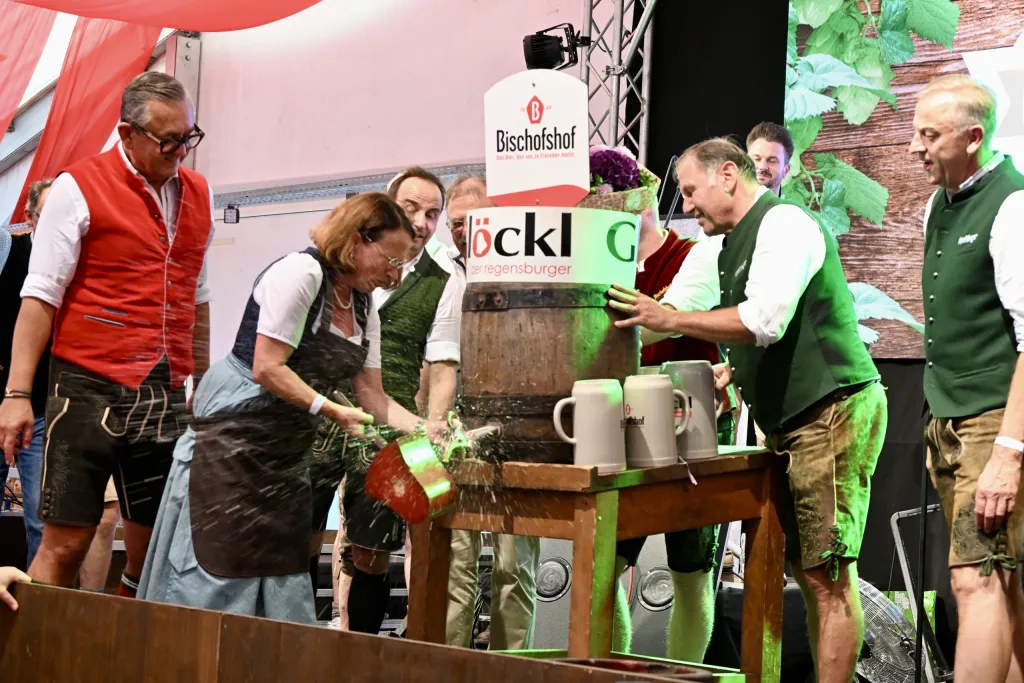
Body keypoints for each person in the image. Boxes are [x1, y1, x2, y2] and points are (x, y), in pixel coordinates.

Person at [606, 138, 886, 683]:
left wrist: (666, 321)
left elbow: (763, 321)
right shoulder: (720, 245)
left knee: (827, 578)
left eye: (690, 191)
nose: (685, 206)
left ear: (728, 174)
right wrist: (731, 367)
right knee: (804, 576)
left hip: (831, 411)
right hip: (791, 422)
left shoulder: (784, 225)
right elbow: (683, 306)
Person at [138, 193, 453, 624]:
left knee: (281, 567)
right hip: (234, 436)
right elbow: (267, 367)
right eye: (391, 261)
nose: (395, 276)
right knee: (221, 562)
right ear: (360, 240)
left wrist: (427, 428)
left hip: (285, 453)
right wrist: (331, 410)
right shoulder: (302, 273)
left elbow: (373, 397)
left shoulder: (363, 305)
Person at [0, 72, 214, 598]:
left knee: (152, 548)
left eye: (188, 136)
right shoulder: (77, 187)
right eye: (167, 140)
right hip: (85, 386)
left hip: (164, 391)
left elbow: (198, 297)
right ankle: (39, 664)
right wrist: (16, 394)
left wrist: (203, 386)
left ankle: (124, 657)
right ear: (126, 133)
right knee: (66, 544)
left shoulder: (200, 192)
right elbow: (40, 298)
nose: (179, 151)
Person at [910, 74, 1024, 682]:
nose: (914, 147)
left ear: (973, 138)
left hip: (994, 419)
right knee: (999, 582)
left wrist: (1009, 451)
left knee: (976, 578)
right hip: (948, 418)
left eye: (930, 135)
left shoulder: (1012, 205)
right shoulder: (939, 203)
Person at [338, 166, 464, 635]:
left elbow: (445, 364)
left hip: (389, 419)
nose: (422, 222)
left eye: (433, 213)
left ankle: (368, 654)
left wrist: (433, 428)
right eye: (411, 208)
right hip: (322, 414)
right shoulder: (347, 259)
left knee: (376, 548)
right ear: (387, 206)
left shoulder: (446, 278)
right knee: (308, 538)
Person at [607, 206, 735, 661]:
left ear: (646, 197)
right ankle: (611, 674)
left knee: (691, 569)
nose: (612, 204)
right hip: (624, 418)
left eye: (620, 193)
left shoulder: (694, 254)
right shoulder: (601, 265)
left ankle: (683, 675)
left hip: (693, 414)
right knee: (604, 567)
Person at [0, 180, 122, 585]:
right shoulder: (14, 256)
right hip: (15, 402)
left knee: (46, 524)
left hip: (47, 413)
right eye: (50, 215)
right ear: (32, 218)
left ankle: (39, 618)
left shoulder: (78, 275)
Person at [440, 175, 540, 651]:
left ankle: (510, 665)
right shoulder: (441, 273)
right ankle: (447, 666)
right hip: (452, 426)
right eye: (456, 223)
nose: (465, 231)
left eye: (474, 221)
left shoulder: (530, 269)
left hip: (516, 429)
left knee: (513, 562)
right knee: (454, 560)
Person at [746, 122, 793, 197]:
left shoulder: (793, 209)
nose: (762, 166)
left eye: (772, 161)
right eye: (757, 159)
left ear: (786, 170)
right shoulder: (724, 207)